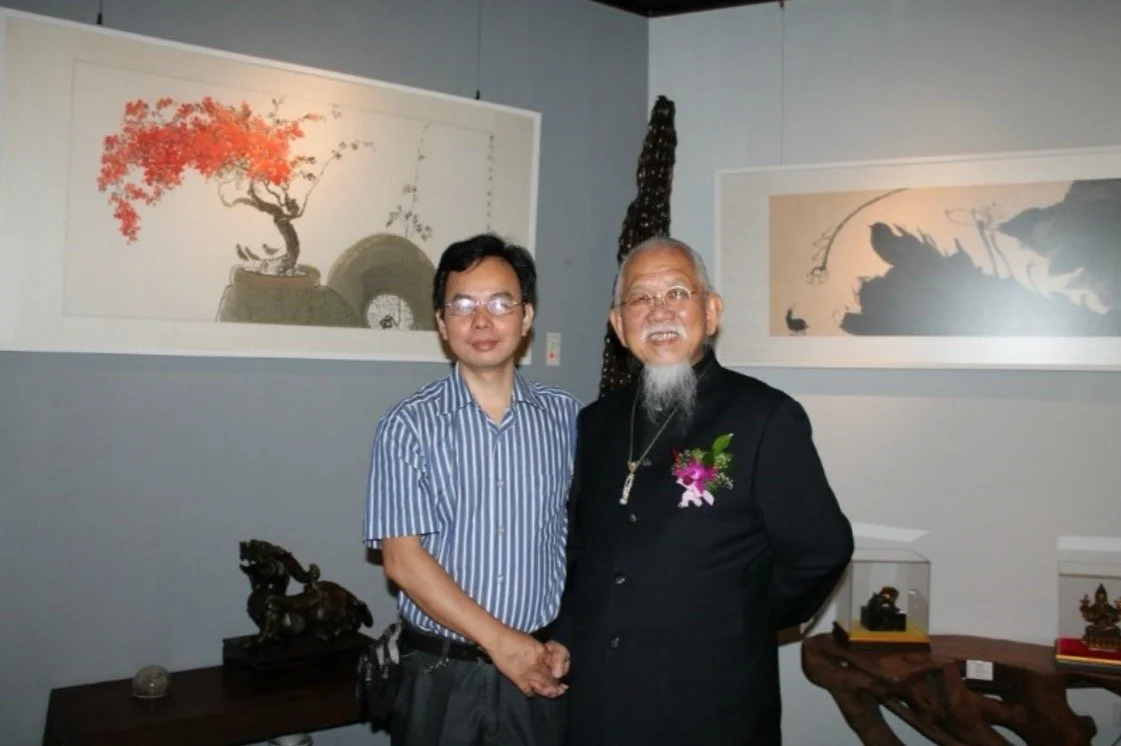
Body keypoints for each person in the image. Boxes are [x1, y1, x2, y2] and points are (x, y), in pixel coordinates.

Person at [548, 236, 854, 745]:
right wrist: (566, 635)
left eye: (677, 293)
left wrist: (743, 615)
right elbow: (580, 550)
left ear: (711, 312)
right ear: (619, 325)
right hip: (600, 704)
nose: (659, 311)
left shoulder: (765, 417)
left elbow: (821, 550)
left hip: (713, 704)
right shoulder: (596, 422)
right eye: (640, 298)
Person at [364, 233, 580, 746]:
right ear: (442, 324)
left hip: (540, 668)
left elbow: (582, 540)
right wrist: (501, 643)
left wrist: (570, 632)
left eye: (500, 303)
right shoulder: (407, 425)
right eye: (462, 306)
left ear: (526, 317)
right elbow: (402, 560)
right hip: (439, 674)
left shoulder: (568, 418)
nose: (481, 321)